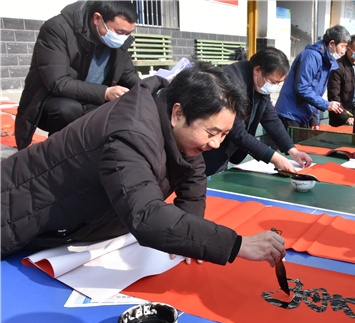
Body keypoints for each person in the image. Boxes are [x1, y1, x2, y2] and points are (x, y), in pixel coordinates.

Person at [1, 65, 286, 269]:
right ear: (178, 113)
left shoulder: (172, 119)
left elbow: (193, 174)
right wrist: (236, 245)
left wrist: (191, 236)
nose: (216, 143)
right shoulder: (130, 134)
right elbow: (146, 216)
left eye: (224, 134)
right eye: (212, 133)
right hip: (14, 211)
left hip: (69, 223)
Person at [15, 1, 142, 150]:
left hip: (92, 100)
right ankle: (57, 151)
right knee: (68, 110)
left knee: (126, 111)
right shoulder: (57, 29)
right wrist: (105, 93)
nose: (123, 38)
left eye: (128, 33)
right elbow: (58, 82)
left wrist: (150, 87)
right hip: (52, 101)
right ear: (97, 19)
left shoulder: (115, 41)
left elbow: (127, 74)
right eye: (119, 32)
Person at [203, 48, 312, 176]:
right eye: (273, 82)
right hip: (207, 150)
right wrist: (274, 158)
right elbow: (236, 131)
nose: (274, 86)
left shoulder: (259, 83)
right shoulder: (231, 82)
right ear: (257, 70)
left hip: (224, 152)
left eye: (279, 83)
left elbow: (270, 118)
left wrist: (292, 150)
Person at [275, 25, 350, 129]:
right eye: (342, 46)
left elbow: (316, 93)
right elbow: (303, 88)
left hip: (304, 115)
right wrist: (327, 105)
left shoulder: (328, 60)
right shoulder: (311, 56)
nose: (344, 51)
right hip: (290, 113)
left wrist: (314, 118)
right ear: (332, 43)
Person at [326, 34, 355, 127]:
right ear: (348, 49)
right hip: (341, 114)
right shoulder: (337, 66)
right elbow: (333, 95)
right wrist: (345, 117)